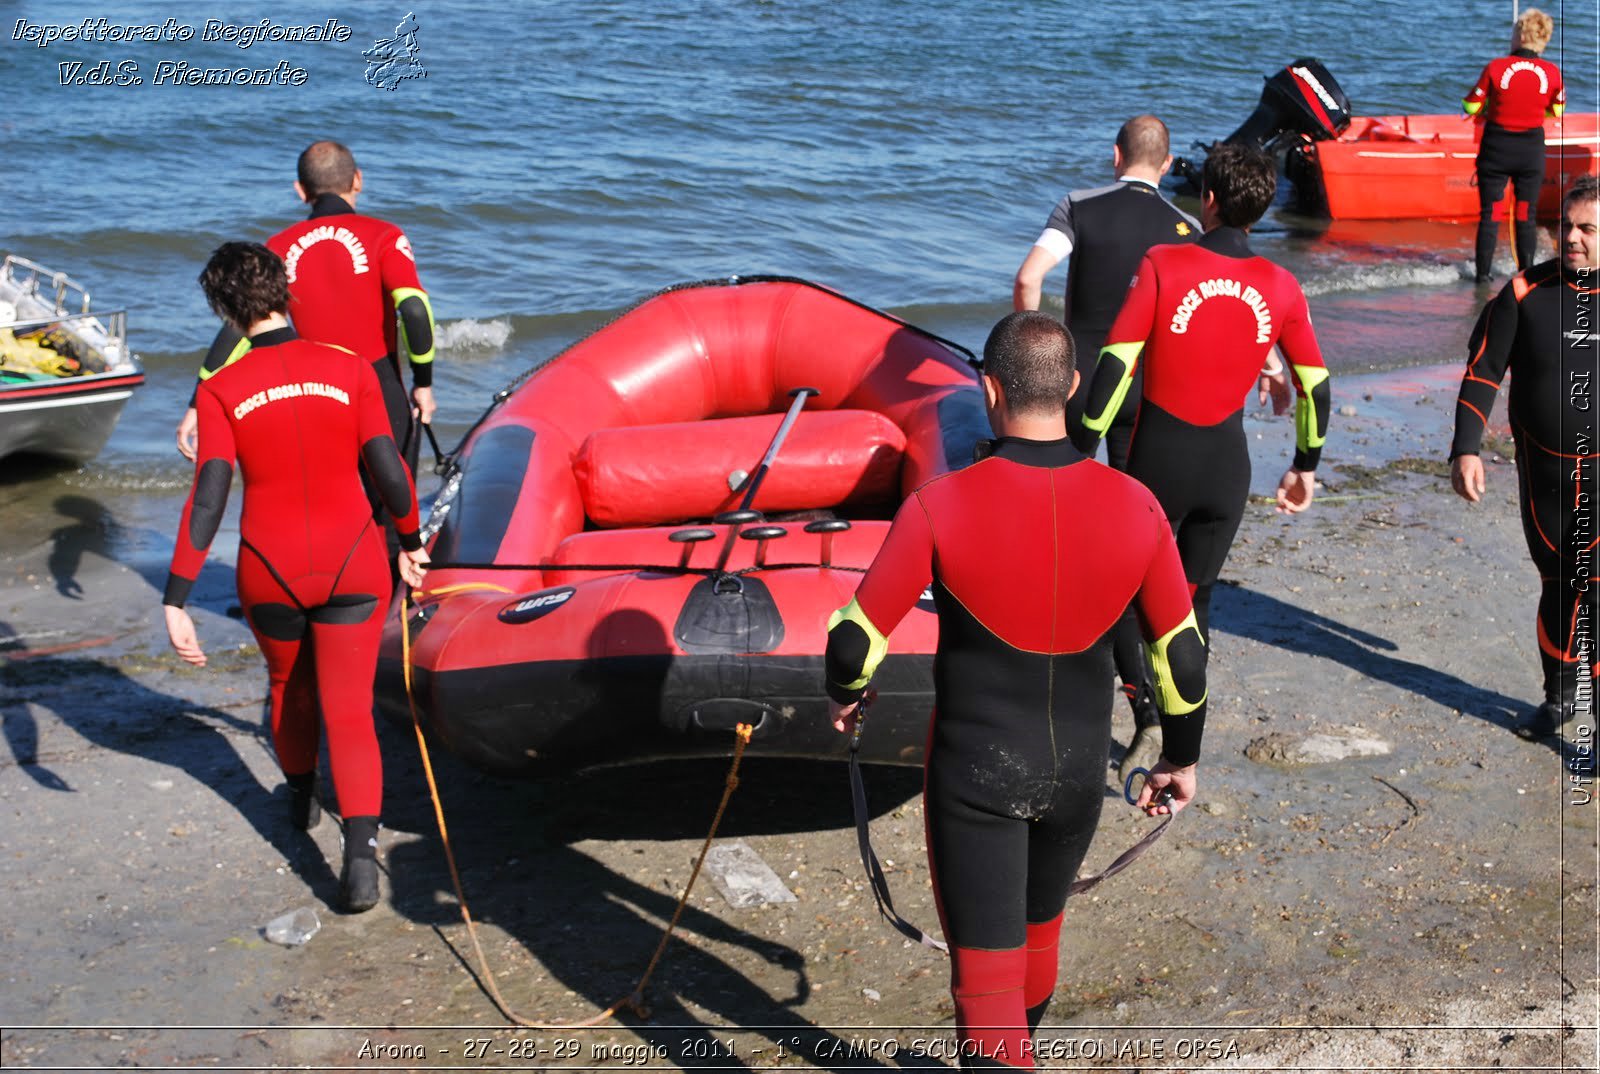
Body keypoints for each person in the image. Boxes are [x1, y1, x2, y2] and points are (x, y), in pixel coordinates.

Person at [824, 312, 1208, 1069]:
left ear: (988, 389)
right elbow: (1183, 659)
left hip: (978, 775)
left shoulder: (939, 503)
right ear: (1070, 388)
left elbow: (852, 640)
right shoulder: (1137, 504)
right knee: (1038, 936)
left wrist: (845, 694)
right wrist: (1181, 760)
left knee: (986, 983)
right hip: (1076, 776)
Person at [163, 242, 430, 912]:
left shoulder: (221, 388)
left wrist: (178, 596)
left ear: (223, 309)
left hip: (270, 568)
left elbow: (210, 494)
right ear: (286, 289)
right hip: (352, 562)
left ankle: (302, 800)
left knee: (288, 686)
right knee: (351, 710)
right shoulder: (347, 369)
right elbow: (388, 468)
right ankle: (361, 858)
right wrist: (410, 542)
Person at [1080, 143, 1332, 650]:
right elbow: (1315, 383)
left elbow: (1118, 361)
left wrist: (1083, 448)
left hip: (1158, 464)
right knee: (1195, 605)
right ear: (1260, 211)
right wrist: (1305, 466)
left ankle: (1144, 715)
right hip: (1225, 471)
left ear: (1207, 198)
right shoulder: (1282, 286)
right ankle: (1183, 722)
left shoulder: (1162, 264)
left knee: (1132, 598)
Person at [1012, 115, 1203, 772]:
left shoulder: (1080, 206)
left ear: (1114, 155)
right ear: (1169, 163)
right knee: (1134, 545)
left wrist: (1028, 349)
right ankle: (1149, 702)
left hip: (1080, 387)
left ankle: (1049, 663)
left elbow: (1029, 279)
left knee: (1054, 525)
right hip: (1145, 397)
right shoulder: (1187, 230)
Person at [177, 141, 438, 476]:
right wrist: (423, 383)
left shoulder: (277, 248)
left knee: (324, 502)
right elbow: (414, 308)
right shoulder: (384, 236)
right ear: (357, 179)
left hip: (315, 396)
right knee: (391, 508)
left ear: (301, 191)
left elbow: (240, 328)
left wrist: (197, 405)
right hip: (378, 386)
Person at [1450, 174, 1599, 737]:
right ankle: (1558, 701)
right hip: (1546, 475)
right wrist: (1466, 448)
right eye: (1566, 227)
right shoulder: (1522, 294)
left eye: (1587, 229)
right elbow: (1483, 371)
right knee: (1560, 584)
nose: (1574, 238)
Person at [1463, 8, 1565, 283]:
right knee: (1525, 215)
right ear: (1544, 39)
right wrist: (1533, 111)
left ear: (1518, 35)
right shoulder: (1552, 73)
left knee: (1491, 215)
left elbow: (1470, 104)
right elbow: (1557, 110)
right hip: (1530, 152)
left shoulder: (1496, 67)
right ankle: (1526, 277)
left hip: (1496, 149)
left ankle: (1482, 277)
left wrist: (1487, 108)